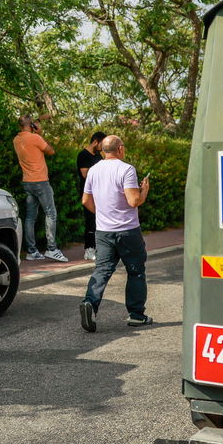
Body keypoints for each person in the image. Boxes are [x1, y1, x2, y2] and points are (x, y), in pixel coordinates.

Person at [79, 135, 153, 332]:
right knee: (136, 271)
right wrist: (144, 190)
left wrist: (103, 213)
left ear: (103, 150)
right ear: (120, 148)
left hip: (103, 231)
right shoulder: (126, 169)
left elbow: (86, 201)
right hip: (128, 230)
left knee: (102, 270)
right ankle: (137, 316)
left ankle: (89, 304)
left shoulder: (94, 170)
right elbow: (133, 201)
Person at [12, 115, 66, 262]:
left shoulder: (16, 140)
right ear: (31, 126)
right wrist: (40, 133)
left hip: (27, 182)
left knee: (30, 217)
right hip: (41, 181)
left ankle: (32, 251)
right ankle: (52, 249)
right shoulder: (35, 138)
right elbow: (51, 151)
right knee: (51, 214)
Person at [75, 131, 107, 261]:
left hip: (100, 193)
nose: (103, 147)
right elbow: (85, 174)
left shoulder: (99, 155)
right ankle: (89, 249)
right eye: (101, 144)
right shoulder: (83, 155)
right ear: (95, 142)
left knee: (99, 221)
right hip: (88, 194)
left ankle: (99, 247)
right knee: (90, 221)